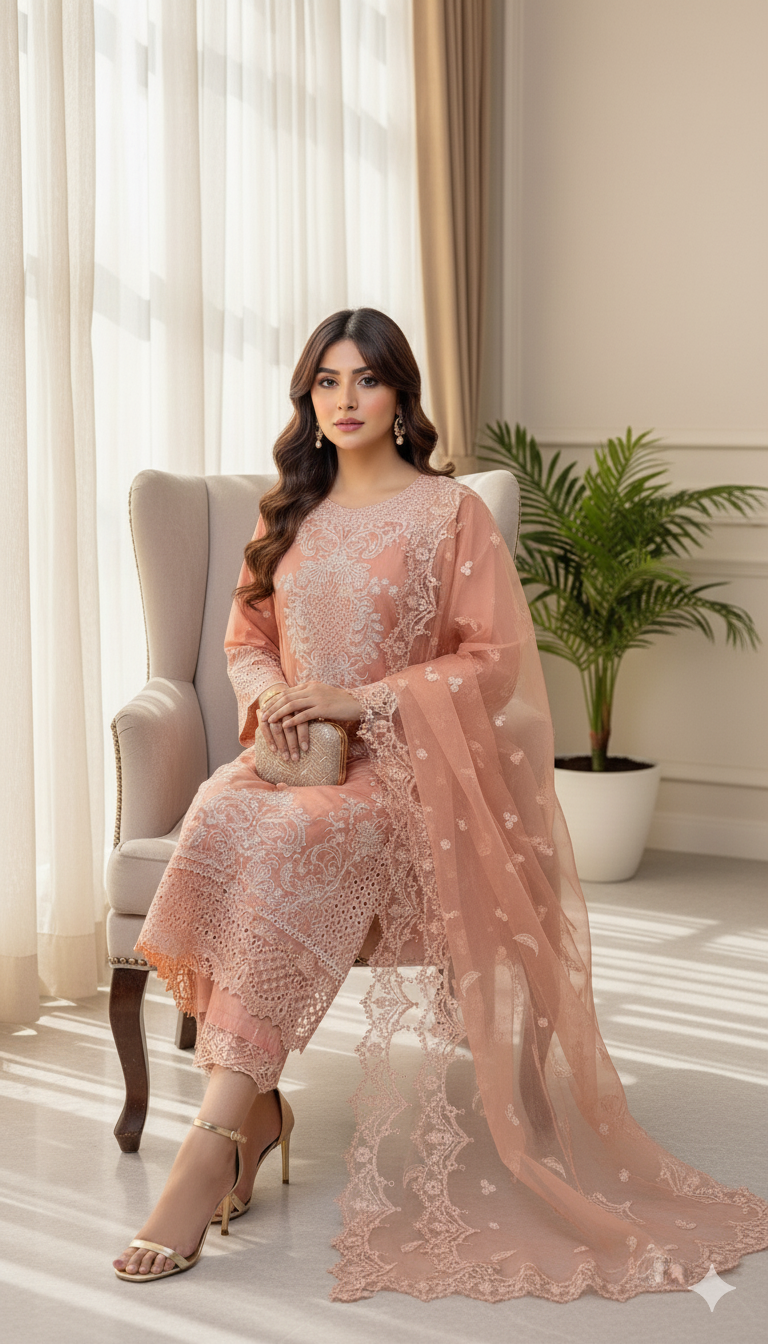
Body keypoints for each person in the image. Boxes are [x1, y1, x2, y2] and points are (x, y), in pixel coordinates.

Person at [113, 308, 768, 1299]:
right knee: (222, 813)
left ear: (399, 395)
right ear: (307, 398)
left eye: (363, 381)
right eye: (324, 383)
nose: (343, 401)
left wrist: (358, 698)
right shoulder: (288, 509)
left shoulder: (449, 513)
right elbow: (245, 640)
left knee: (303, 840)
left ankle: (212, 1141)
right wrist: (274, 701)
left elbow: (493, 665)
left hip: (404, 770)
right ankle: (251, 1109)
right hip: (293, 758)